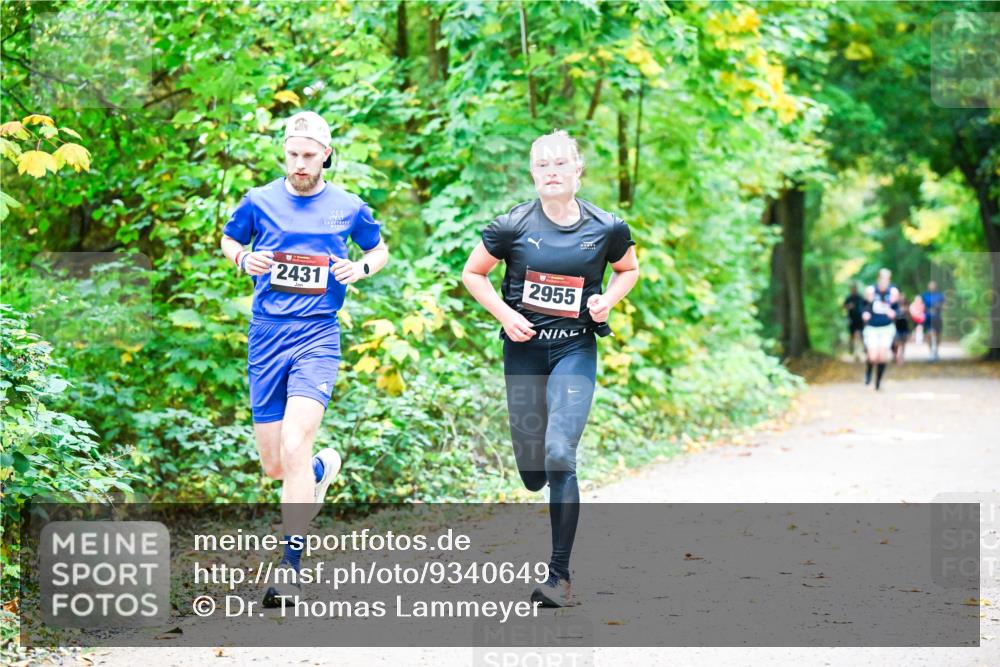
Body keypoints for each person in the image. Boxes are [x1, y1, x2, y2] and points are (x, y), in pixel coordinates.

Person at [461, 130, 639, 608]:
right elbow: (472, 273)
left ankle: (558, 576)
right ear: (533, 173)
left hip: (575, 350)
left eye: (561, 163)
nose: (552, 171)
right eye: (543, 165)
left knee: (561, 454)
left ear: (578, 170)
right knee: (533, 471)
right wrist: (507, 314)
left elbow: (629, 270)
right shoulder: (512, 225)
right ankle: (537, 474)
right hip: (524, 353)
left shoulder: (607, 226)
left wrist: (606, 300)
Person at [219, 111, 389, 607]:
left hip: (318, 335)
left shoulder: (348, 206)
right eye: (292, 154)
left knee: (295, 441)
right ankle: (317, 472)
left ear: (326, 156)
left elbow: (378, 251)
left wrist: (359, 267)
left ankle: (290, 569)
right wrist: (240, 258)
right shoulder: (259, 201)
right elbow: (230, 238)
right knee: (277, 465)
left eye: (309, 155)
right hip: (267, 336)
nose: (299, 163)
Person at [861, 268, 899, 390]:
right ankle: (868, 374)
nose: (884, 280)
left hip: (886, 327)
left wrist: (894, 313)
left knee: (882, 356)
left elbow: (898, 309)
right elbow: (864, 306)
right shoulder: (871, 291)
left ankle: (878, 382)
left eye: (886, 278)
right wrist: (865, 314)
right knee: (872, 356)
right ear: (878, 278)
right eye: (882, 278)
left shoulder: (893, 292)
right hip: (872, 327)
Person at [922, 281, 945, 360]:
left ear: (935, 286)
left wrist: (938, 307)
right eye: (930, 285)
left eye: (933, 285)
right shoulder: (925, 295)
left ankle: (936, 351)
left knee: (938, 335)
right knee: (929, 334)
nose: (932, 287)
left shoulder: (940, 295)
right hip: (928, 317)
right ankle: (931, 351)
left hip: (937, 317)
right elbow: (921, 305)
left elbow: (944, 305)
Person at [842, 284, 865, 360]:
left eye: (854, 288)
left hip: (860, 319)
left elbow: (865, 306)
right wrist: (849, 306)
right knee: (852, 335)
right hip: (852, 319)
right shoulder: (848, 298)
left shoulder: (860, 297)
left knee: (861, 335)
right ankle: (852, 350)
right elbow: (843, 307)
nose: (853, 290)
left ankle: (862, 350)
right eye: (852, 289)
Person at [892, 293, 910, 364]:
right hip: (896, 327)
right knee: (896, 343)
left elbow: (909, 318)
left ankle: (901, 357)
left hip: (904, 327)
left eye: (903, 298)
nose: (902, 299)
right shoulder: (895, 306)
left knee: (903, 343)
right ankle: (896, 355)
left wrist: (906, 312)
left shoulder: (907, 307)